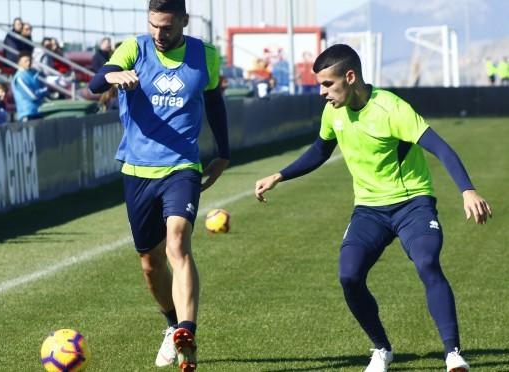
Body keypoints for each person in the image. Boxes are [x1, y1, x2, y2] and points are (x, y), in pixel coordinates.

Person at [254, 44, 492, 372]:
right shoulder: (332, 111)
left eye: (327, 84)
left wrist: (467, 191)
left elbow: (442, 148)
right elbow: (320, 151)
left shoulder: (392, 108)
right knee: (349, 276)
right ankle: (382, 349)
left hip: (412, 204)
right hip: (369, 209)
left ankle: (452, 354)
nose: (322, 92)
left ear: (350, 77)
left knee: (426, 262)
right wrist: (280, 175)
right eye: (320, 85)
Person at [88, 1, 230, 370]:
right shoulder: (134, 49)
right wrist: (112, 76)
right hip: (137, 171)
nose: (158, 34)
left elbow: (214, 103)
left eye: (166, 27)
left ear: (184, 21)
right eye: (153, 25)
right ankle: (171, 326)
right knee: (150, 266)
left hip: (182, 167)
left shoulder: (205, 56)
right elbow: (93, 83)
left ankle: (187, 330)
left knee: (177, 244)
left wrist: (224, 153)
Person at [11, 51, 47, 121]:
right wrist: (45, 91)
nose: (28, 63)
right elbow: (32, 96)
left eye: (30, 60)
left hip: (39, 112)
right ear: (19, 63)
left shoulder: (34, 73)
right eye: (25, 61)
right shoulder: (19, 78)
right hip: (27, 114)